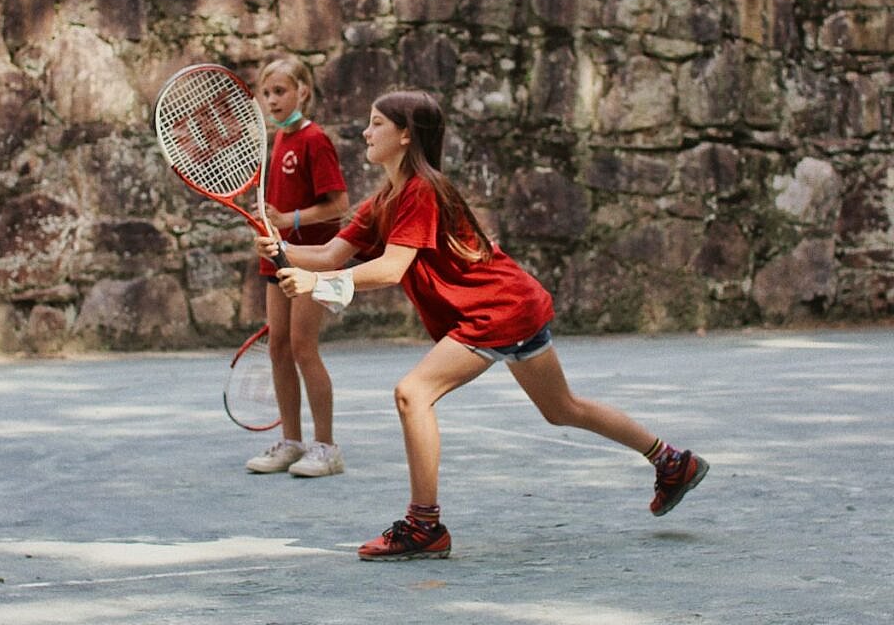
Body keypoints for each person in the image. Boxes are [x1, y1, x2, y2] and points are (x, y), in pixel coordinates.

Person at [256, 88, 708, 559]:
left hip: (495, 309)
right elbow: (330, 254)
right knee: (562, 408)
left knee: (413, 393)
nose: (365, 132)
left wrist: (314, 283)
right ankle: (671, 461)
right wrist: (282, 249)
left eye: (376, 123)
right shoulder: (383, 199)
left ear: (406, 135)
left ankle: (423, 526)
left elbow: (390, 269)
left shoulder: (422, 191)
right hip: (512, 304)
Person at [245, 55, 350, 478]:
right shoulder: (279, 141)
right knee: (278, 348)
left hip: (313, 261)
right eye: (267, 93)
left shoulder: (314, 139)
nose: (271, 100)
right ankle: (291, 443)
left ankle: (326, 448)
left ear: (303, 91)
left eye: (280, 91)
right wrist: (271, 225)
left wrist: (291, 221)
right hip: (277, 259)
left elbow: (339, 205)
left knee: (304, 348)